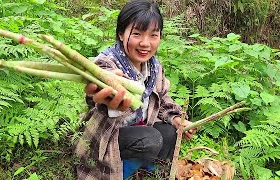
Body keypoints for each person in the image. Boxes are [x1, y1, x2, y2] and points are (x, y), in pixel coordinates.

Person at [74, 0, 196, 179]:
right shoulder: (108, 62)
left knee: (170, 133)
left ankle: (144, 169)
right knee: (151, 139)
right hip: (110, 135)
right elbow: (99, 84)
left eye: (153, 35)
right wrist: (109, 95)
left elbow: (162, 99)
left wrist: (177, 119)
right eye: (137, 34)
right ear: (121, 34)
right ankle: (117, 173)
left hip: (139, 129)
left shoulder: (154, 67)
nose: (145, 43)